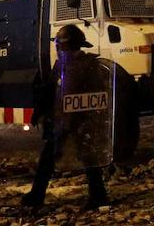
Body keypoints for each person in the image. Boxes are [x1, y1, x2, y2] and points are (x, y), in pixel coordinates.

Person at [23, 24, 111, 211]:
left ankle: (98, 196)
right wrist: (40, 111)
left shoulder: (86, 65)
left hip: (78, 122)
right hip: (64, 120)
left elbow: (99, 94)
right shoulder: (65, 64)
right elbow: (50, 90)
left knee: (88, 159)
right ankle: (37, 195)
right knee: (51, 158)